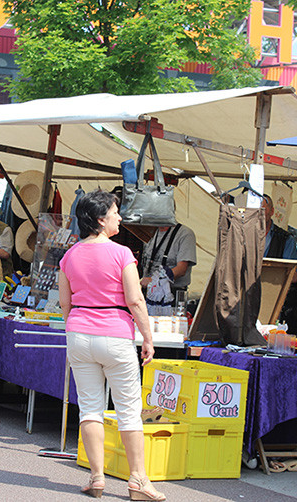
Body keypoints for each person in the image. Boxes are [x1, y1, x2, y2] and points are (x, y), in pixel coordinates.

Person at [58, 190, 165, 501]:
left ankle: (96, 477)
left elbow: (65, 303)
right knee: (129, 411)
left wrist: (76, 326)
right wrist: (147, 337)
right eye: (116, 213)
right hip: (116, 333)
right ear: (101, 220)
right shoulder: (121, 254)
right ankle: (138, 480)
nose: (120, 217)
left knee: (89, 409)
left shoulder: (70, 255)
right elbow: (135, 299)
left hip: (79, 331)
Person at [139, 222, 196, 296]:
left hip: (170, 295)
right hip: (148, 294)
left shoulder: (185, 234)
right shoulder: (151, 231)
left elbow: (181, 269)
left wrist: (155, 280)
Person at [262, 195, 297, 262]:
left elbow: (293, 270)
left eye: (263, 209)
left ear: (272, 211)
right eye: (255, 209)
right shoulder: (243, 236)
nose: (259, 213)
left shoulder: (285, 239)